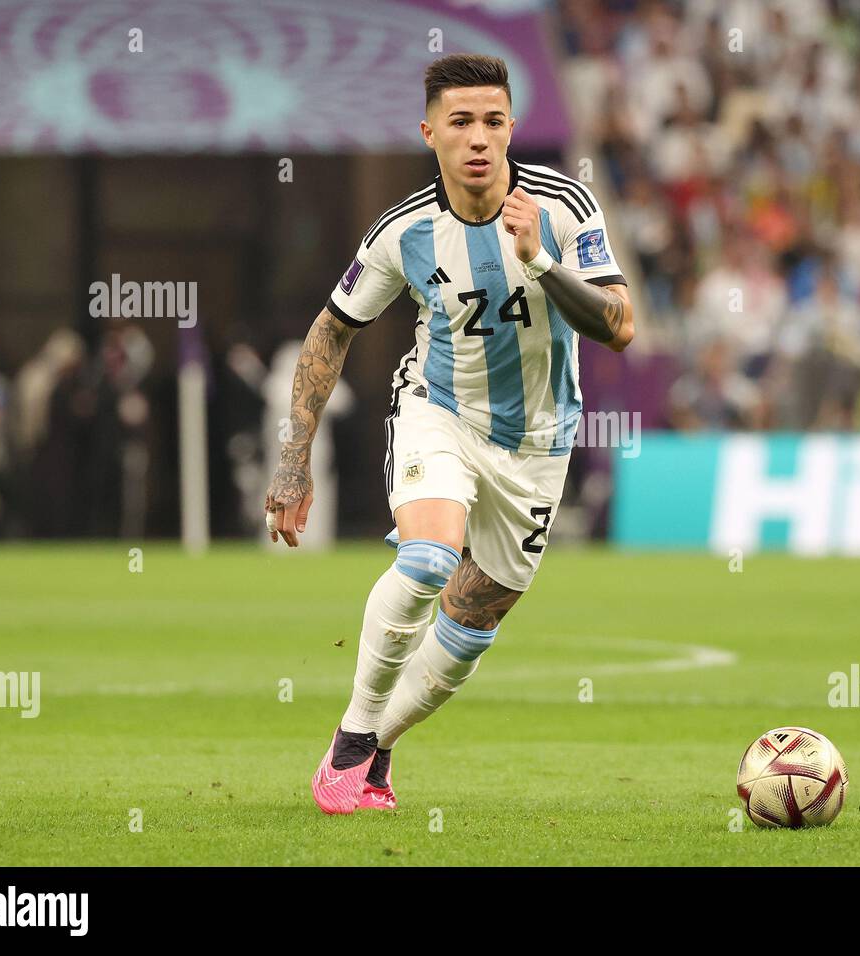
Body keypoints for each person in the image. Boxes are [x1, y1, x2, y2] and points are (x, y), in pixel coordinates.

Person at [262, 54, 634, 814]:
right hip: (443, 413)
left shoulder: (563, 208)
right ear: (429, 132)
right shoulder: (404, 232)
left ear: (511, 130)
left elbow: (618, 326)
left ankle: (377, 751)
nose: (478, 138)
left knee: (469, 626)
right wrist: (293, 462)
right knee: (429, 559)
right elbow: (331, 332)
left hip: (539, 445)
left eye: (493, 121)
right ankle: (351, 738)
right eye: (460, 122)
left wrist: (542, 263)